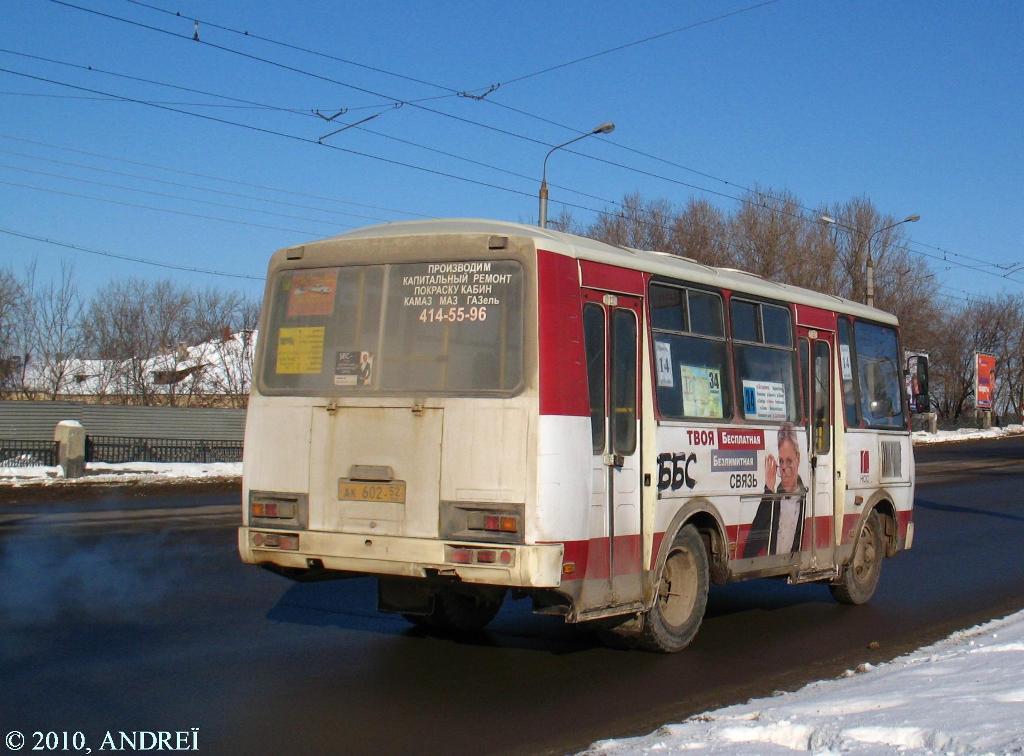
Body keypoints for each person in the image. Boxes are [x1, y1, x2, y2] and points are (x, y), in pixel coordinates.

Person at [742, 423, 806, 558]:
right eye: (781, 461)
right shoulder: (773, 499)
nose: (784, 468)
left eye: (789, 461)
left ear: (798, 459)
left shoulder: (807, 499)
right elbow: (749, 550)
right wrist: (769, 490)